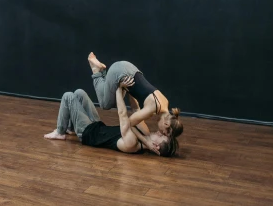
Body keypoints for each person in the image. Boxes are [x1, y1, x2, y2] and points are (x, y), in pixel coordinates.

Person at [44, 82, 176, 156]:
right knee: (79, 92)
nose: (161, 132)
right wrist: (130, 89)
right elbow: (136, 110)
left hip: (88, 134)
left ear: (157, 147)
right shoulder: (145, 132)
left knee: (68, 96)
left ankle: (60, 132)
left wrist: (118, 89)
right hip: (97, 125)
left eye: (162, 137)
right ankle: (71, 128)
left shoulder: (133, 144)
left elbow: (123, 115)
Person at [87, 52, 183, 141]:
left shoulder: (164, 102)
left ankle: (102, 72)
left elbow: (135, 106)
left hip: (130, 69)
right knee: (105, 104)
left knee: (115, 99)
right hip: (119, 72)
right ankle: (97, 70)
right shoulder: (153, 108)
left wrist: (126, 89)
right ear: (166, 124)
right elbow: (128, 124)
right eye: (164, 133)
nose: (161, 133)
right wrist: (147, 142)